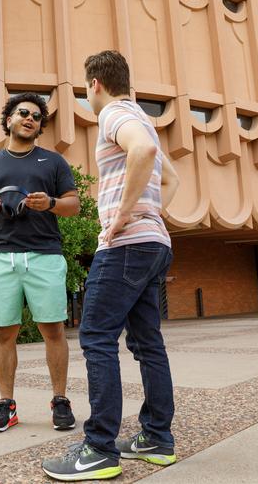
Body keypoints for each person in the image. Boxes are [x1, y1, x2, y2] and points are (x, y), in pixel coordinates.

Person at [42, 51, 180, 481]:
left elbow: (142, 150)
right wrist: (149, 214)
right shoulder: (141, 115)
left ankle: (99, 448)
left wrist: (123, 215)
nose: (88, 95)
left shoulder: (114, 114)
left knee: (97, 336)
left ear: (96, 84)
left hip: (126, 245)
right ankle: (156, 438)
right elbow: (171, 178)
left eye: (86, 89)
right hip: (153, 243)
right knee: (147, 343)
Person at [0, 92, 81, 433]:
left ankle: (60, 400)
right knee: (4, 333)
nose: (30, 118)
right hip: (1, 256)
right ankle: (6, 404)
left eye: (36, 116)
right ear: (9, 120)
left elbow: (73, 205)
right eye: (23, 113)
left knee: (54, 330)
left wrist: (51, 203)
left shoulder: (54, 162)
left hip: (45, 255)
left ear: (39, 126)